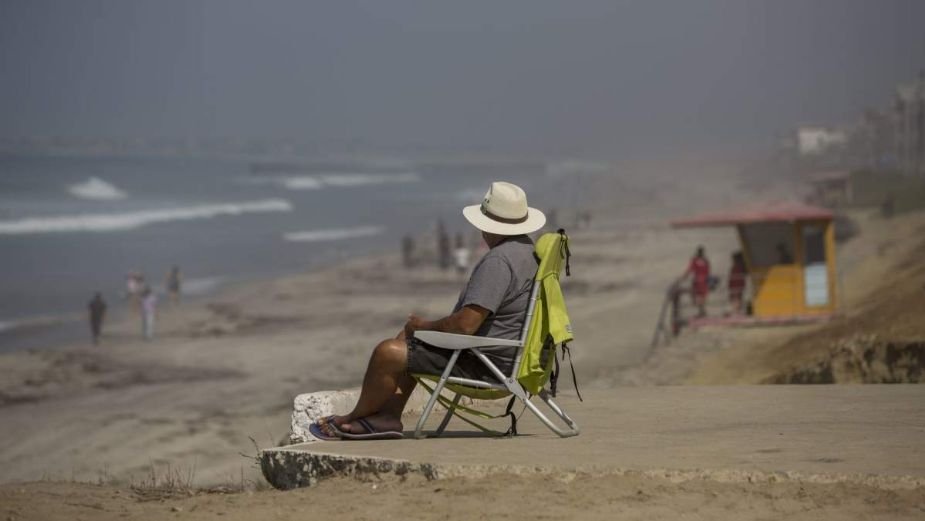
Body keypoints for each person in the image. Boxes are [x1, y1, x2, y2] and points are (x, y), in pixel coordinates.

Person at [309, 181, 546, 440]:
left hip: (487, 365)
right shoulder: (528, 251)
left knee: (387, 352)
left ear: (487, 225)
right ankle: (387, 417)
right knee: (408, 339)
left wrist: (422, 326)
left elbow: (466, 325)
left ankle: (351, 417)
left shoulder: (499, 261)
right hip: (510, 358)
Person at [680, 246, 710, 318]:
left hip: (697, 281)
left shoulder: (695, 260)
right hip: (704, 281)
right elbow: (708, 272)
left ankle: (701, 311)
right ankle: (702, 311)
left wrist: (683, 277)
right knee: (701, 297)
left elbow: (689, 270)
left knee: (696, 296)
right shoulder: (706, 261)